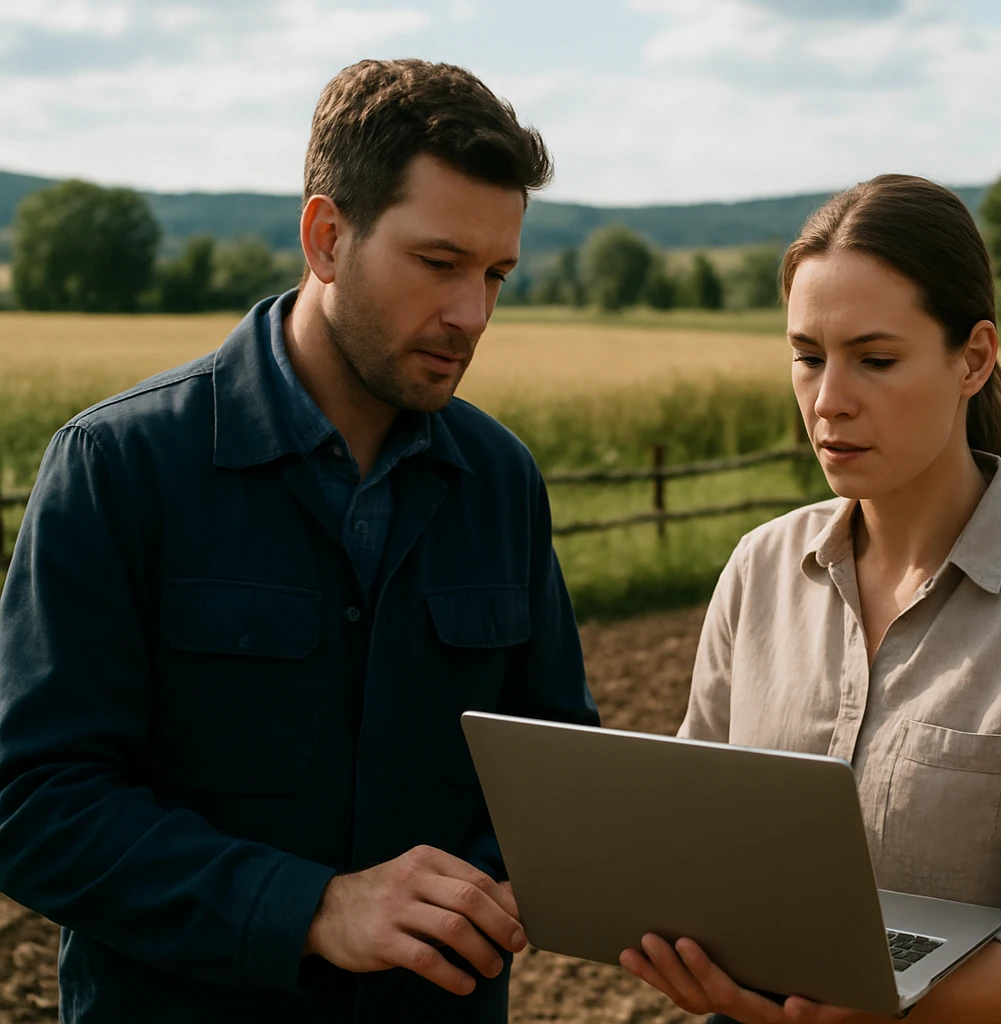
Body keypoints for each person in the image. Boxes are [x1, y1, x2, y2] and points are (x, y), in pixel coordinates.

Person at [0, 59, 597, 1023]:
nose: (473, 315)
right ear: (326, 238)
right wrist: (312, 909)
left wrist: (514, 877)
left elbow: (555, 767)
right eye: (439, 263)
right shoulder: (119, 466)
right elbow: (31, 804)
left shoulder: (502, 482)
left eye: (495, 275)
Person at [619, 175, 1001, 1024]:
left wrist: (900, 1010)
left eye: (875, 360)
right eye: (807, 357)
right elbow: (699, 836)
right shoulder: (758, 570)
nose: (829, 400)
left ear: (973, 359)